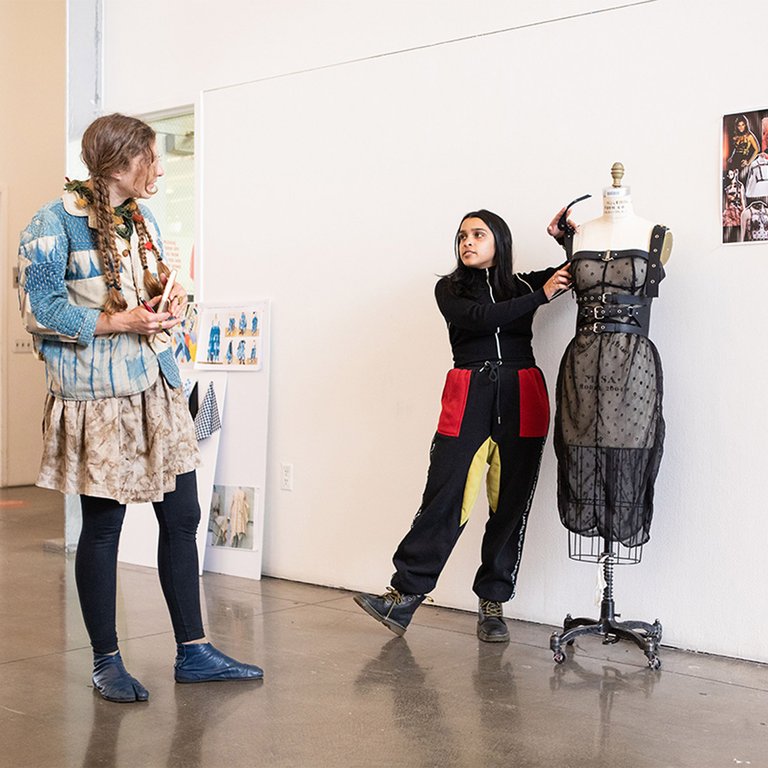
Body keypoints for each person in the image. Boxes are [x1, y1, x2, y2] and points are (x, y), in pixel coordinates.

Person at [17, 113, 263, 703]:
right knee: (103, 529)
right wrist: (117, 320)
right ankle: (106, 660)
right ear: (118, 162)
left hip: (158, 386)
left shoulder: (142, 219)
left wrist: (168, 303)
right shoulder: (51, 223)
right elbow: (39, 310)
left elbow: (144, 292)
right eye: (150, 158)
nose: (157, 169)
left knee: (181, 517)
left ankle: (194, 651)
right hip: (100, 400)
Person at [353, 209, 571, 642]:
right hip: (468, 389)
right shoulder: (449, 288)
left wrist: (564, 241)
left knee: (510, 505)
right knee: (446, 495)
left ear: (499, 242)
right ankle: (403, 596)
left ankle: (493, 604)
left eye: (477, 234)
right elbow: (480, 320)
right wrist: (540, 297)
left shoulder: (525, 283)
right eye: (461, 236)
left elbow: (579, 272)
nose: (467, 242)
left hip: (522, 391)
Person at [549, 165, 672, 549]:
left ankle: (621, 534)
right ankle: (589, 540)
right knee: (579, 445)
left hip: (634, 364)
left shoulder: (657, 235)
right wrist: (564, 239)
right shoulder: (579, 235)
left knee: (631, 448)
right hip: (582, 362)